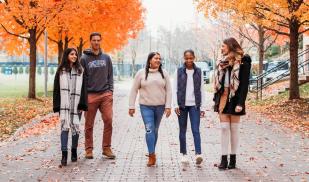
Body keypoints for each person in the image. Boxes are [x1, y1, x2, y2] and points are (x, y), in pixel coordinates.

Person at [213, 37, 251, 170]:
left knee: (234, 129)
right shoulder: (222, 61)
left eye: (223, 46)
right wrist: (215, 99)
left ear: (230, 46)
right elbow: (218, 81)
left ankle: (233, 159)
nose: (221, 48)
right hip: (223, 97)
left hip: (236, 98)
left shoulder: (244, 59)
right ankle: (223, 159)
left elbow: (245, 83)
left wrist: (241, 102)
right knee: (224, 128)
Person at [129, 52, 172, 167]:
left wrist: (168, 106)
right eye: (155, 58)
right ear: (149, 60)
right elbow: (134, 90)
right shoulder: (141, 73)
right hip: (146, 107)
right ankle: (151, 155)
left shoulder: (164, 73)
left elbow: (169, 90)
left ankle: (151, 151)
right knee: (150, 129)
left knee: (155, 130)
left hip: (160, 106)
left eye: (159, 58)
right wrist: (131, 106)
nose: (158, 60)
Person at [80, 32, 115, 159]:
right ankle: (88, 149)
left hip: (105, 94)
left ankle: (106, 148)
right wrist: (83, 97)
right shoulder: (84, 59)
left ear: (101, 41)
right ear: (90, 41)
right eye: (94, 40)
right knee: (89, 124)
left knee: (109, 120)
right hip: (90, 95)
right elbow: (81, 79)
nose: (96, 42)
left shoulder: (106, 58)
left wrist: (110, 91)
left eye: (98, 40)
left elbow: (110, 75)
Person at [53, 48, 88, 166]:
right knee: (64, 128)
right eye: (71, 54)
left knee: (75, 127)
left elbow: (84, 89)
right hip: (64, 105)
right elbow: (56, 90)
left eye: (75, 54)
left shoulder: (80, 70)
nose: (74, 56)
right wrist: (57, 105)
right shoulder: (60, 71)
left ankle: (74, 151)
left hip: (77, 105)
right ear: (66, 55)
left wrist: (82, 104)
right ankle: (64, 154)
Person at [173, 49, 206, 165]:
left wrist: (203, 107)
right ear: (184, 58)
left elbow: (202, 89)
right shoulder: (178, 71)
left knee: (195, 130)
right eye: (186, 58)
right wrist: (175, 104)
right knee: (182, 130)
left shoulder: (199, 72)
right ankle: (184, 154)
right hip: (182, 105)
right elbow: (175, 89)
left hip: (195, 105)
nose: (189, 60)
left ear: (194, 58)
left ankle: (198, 154)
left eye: (191, 58)